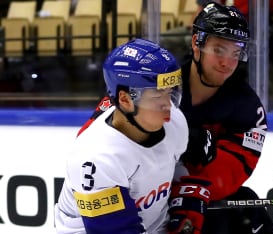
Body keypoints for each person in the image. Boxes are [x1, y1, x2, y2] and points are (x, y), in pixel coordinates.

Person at [77, 2, 273, 233]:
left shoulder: (248, 109)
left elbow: (226, 177)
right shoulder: (152, 82)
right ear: (196, 43)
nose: (228, 63)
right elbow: (94, 139)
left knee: (242, 207)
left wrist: (188, 188)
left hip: (184, 198)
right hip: (136, 193)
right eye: (218, 50)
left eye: (236, 53)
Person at [54, 38, 188, 233]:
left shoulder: (175, 121)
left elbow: (172, 167)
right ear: (125, 100)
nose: (168, 104)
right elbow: (116, 229)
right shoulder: (95, 157)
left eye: (170, 93)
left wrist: (188, 194)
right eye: (158, 96)